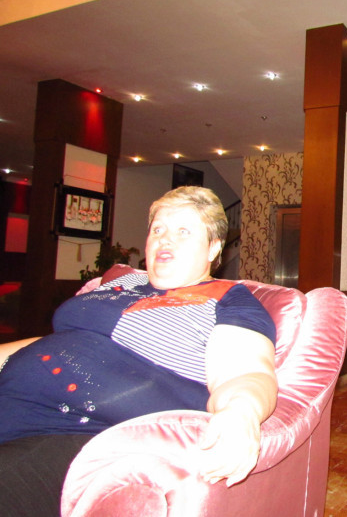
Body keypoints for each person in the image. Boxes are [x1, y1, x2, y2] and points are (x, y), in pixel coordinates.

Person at [0, 186, 278, 515]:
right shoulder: (125, 283)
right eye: (158, 229)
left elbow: (247, 371)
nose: (165, 239)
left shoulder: (229, 299)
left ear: (214, 247)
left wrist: (241, 414)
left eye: (183, 231)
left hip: (74, 429)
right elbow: (67, 341)